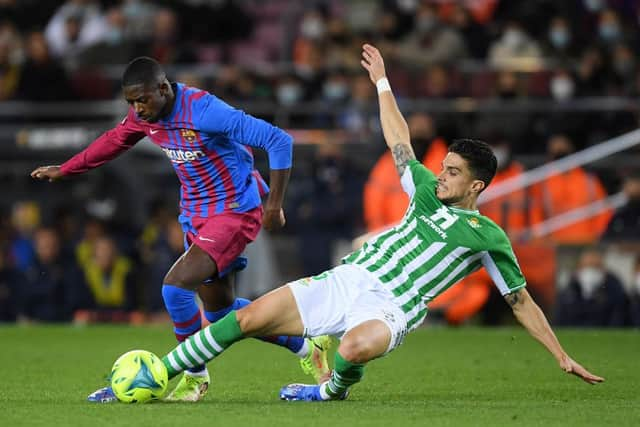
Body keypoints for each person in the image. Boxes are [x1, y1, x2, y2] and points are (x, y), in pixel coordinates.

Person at [150, 44, 603, 403]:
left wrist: (560, 355)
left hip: (391, 306)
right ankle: (157, 374)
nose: (440, 176)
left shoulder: (487, 236)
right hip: (348, 278)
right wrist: (382, 81)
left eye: (452, 172)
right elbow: (398, 139)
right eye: (442, 167)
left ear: (477, 187)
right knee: (245, 318)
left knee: (352, 349)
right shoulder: (425, 190)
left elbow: (520, 301)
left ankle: (330, 390)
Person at [30, 56, 330, 402]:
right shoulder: (146, 116)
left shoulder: (204, 111)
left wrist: (274, 205)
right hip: (196, 215)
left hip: (234, 212)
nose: (137, 109)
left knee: (174, 288)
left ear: (163, 88)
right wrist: (67, 169)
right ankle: (307, 348)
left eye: (142, 99)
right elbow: (114, 140)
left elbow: (279, 140)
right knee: (222, 314)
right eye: (131, 102)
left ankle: (194, 376)